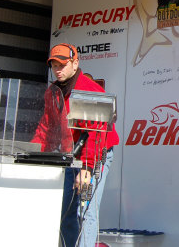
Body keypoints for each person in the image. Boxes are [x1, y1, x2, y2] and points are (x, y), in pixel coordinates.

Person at [32, 43, 120, 247]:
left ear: (75, 63)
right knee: (66, 211)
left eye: (62, 65)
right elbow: (45, 129)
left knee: (85, 211)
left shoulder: (89, 90)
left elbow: (96, 135)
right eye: (54, 65)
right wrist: (31, 155)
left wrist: (87, 168)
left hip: (96, 154)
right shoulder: (52, 92)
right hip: (71, 155)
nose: (58, 70)